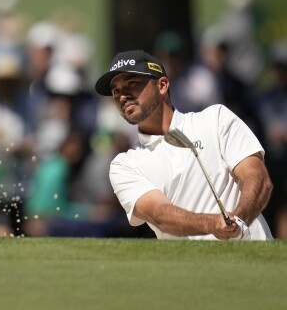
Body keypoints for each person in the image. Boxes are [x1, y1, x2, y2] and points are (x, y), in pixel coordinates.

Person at [94, 49, 273, 240]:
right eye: (116, 91)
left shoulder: (215, 119)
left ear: (162, 85)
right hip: (196, 270)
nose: (123, 96)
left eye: (131, 84)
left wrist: (239, 220)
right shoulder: (124, 165)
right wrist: (213, 224)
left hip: (257, 263)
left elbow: (258, 178)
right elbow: (160, 214)